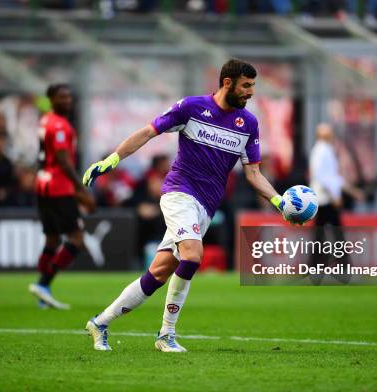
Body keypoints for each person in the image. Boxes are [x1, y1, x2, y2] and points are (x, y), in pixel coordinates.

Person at [81, 59, 294, 352]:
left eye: (253, 86)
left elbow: (254, 173)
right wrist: (111, 160)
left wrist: (280, 203)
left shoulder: (249, 124)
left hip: (205, 206)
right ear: (227, 83)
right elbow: (148, 132)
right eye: (246, 86)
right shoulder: (191, 108)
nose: (250, 92)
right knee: (192, 256)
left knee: (157, 273)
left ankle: (100, 323)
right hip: (179, 193)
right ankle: (166, 335)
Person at [28, 83, 95, 310]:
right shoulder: (59, 125)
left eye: (68, 96)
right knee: (76, 238)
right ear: (51, 99)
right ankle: (44, 284)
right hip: (58, 188)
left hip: (43, 184)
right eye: (61, 96)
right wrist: (81, 189)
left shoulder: (45, 120)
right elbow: (64, 160)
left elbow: (42, 157)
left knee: (52, 239)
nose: (66, 100)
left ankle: (41, 295)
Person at [309, 123, 364, 284]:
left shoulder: (325, 150)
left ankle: (317, 270)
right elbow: (323, 176)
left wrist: (351, 191)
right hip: (324, 199)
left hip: (325, 199)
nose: (331, 133)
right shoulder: (321, 151)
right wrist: (334, 195)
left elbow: (333, 177)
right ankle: (341, 269)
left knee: (323, 235)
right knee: (334, 235)